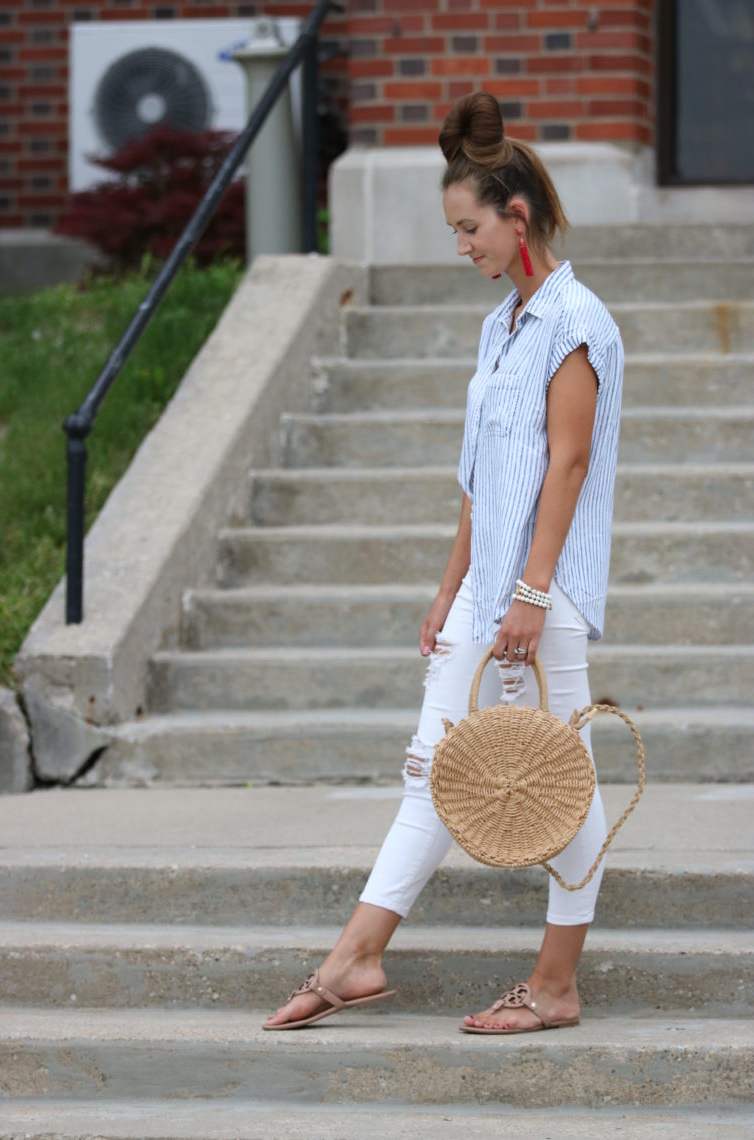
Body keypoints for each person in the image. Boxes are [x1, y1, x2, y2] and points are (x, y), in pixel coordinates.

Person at [263, 91, 624, 1035]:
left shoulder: (576, 321)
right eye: (452, 229)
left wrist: (531, 594)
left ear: (516, 217)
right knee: (430, 765)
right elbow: (481, 479)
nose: (460, 245)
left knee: (559, 775)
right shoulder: (499, 326)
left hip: (546, 594)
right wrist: (451, 584)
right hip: (485, 595)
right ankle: (358, 956)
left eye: (469, 228)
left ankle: (554, 983)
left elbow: (567, 468)